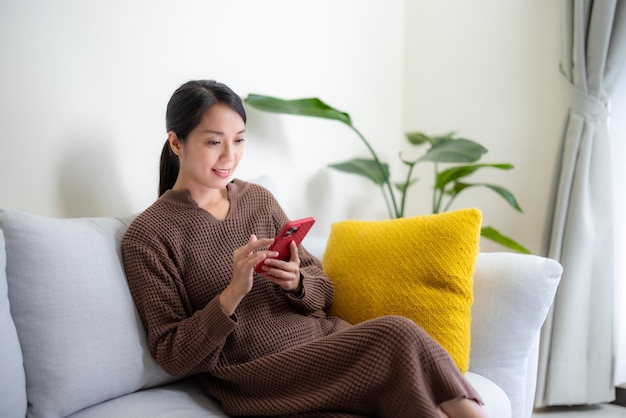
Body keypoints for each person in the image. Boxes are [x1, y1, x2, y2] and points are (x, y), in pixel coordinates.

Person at [121, 79, 488, 418]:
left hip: (325, 342)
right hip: (259, 375)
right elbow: (172, 352)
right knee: (397, 332)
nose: (229, 156)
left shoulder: (259, 201)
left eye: (240, 140)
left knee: (419, 390)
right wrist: (232, 294)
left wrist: (296, 282)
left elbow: (322, 289)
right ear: (176, 142)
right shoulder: (148, 236)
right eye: (214, 141)